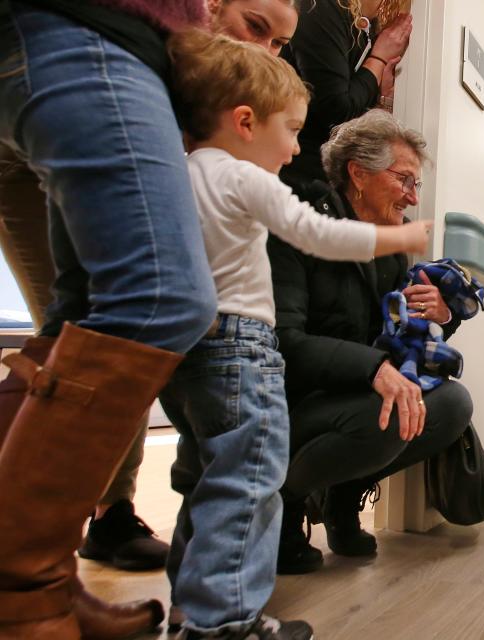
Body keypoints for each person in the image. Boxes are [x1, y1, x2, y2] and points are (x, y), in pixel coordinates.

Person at [0, 0, 302, 577]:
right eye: (255, 27)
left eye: (279, 44)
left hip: (64, 47)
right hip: (85, 36)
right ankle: (24, 581)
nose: (263, 51)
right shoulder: (155, 61)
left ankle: (53, 564)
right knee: (151, 309)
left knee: (85, 327)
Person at [160, 31, 431, 638]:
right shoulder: (250, 180)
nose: (295, 149)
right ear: (246, 121)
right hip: (242, 350)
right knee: (248, 483)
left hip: (188, 346)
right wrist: (400, 239)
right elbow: (320, 236)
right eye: (292, 130)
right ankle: (225, 621)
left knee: (209, 477)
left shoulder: (177, 172)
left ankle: (190, 603)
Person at [0, 2, 220, 638]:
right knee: (164, 300)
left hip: (82, 32)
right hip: (87, 25)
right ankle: (20, 593)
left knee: (77, 314)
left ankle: (46, 578)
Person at [268, 109, 473, 575]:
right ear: (357, 174)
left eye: (416, 185)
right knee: (389, 412)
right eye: (404, 179)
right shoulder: (299, 227)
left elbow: (406, 337)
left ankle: (342, 495)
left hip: (353, 395)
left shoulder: (389, 247)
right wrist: (373, 368)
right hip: (294, 402)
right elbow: (283, 341)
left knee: (451, 405)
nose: (412, 196)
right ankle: (285, 503)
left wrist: (442, 315)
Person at [280, 0, 412, 186]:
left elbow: (354, 120)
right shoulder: (322, 7)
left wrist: (381, 98)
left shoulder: (370, 27)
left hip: (326, 178)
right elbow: (337, 109)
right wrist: (379, 59)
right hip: (295, 170)